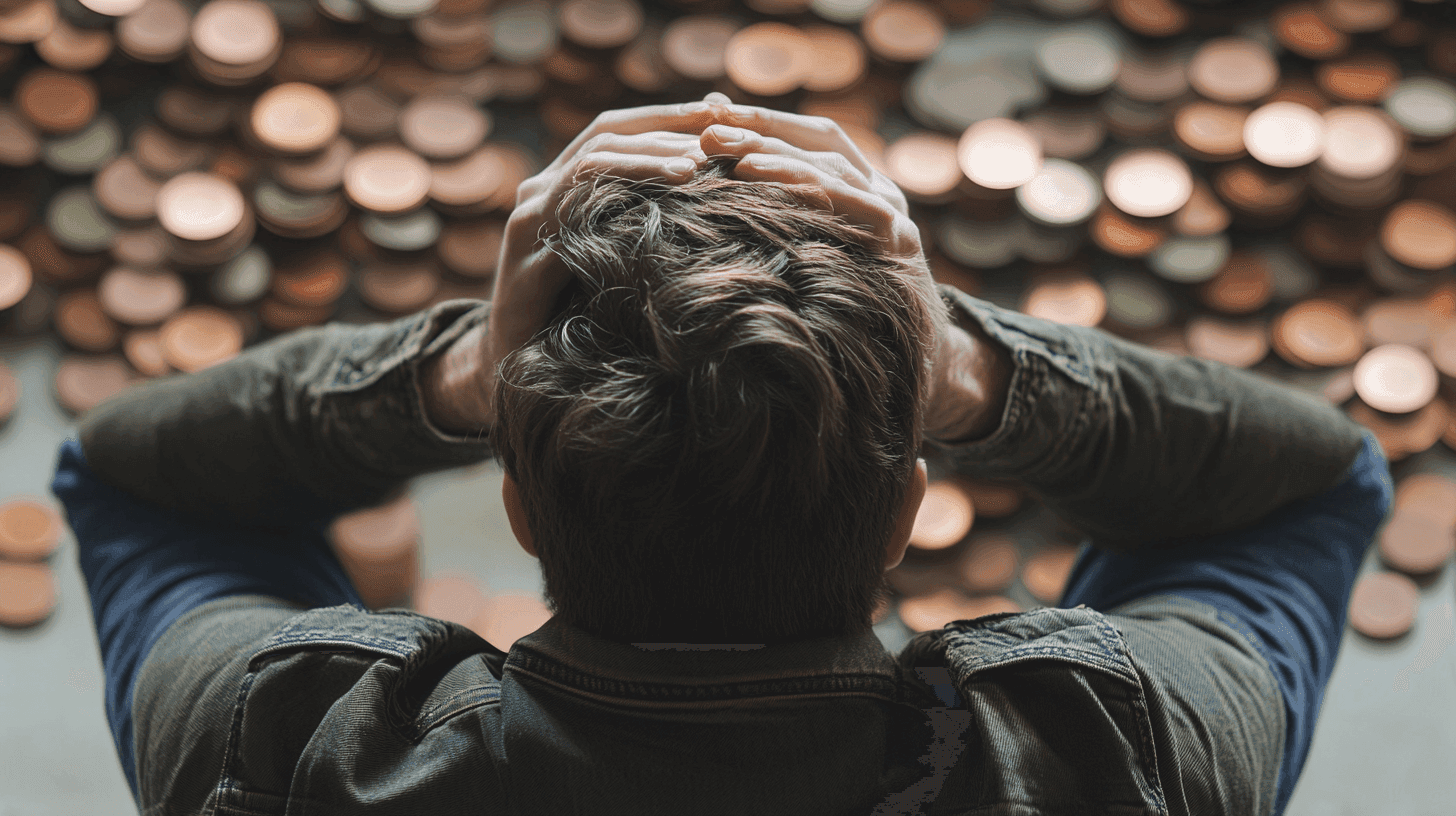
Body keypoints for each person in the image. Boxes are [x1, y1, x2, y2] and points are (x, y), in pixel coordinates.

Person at [54, 96, 1391, 815]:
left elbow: (132, 474)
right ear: (903, 514)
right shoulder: (1109, 754)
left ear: (519, 508)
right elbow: (1308, 486)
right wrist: (975, 372)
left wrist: (457, 376)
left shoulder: (290, 755)